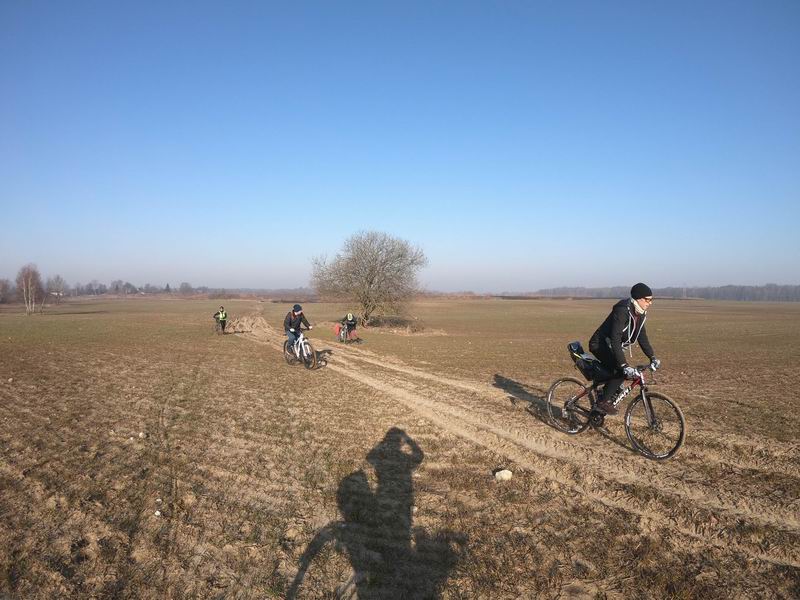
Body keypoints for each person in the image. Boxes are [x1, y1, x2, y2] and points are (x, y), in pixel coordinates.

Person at [588, 283, 660, 415]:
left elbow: (641, 336)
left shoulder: (640, 313)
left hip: (613, 346)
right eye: (648, 299)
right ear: (638, 298)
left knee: (618, 373)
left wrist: (652, 357)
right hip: (599, 344)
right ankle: (602, 402)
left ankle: (603, 391)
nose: (650, 303)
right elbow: (615, 338)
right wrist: (624, 365)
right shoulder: (622, 310)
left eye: (651, 300)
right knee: (621, 371)